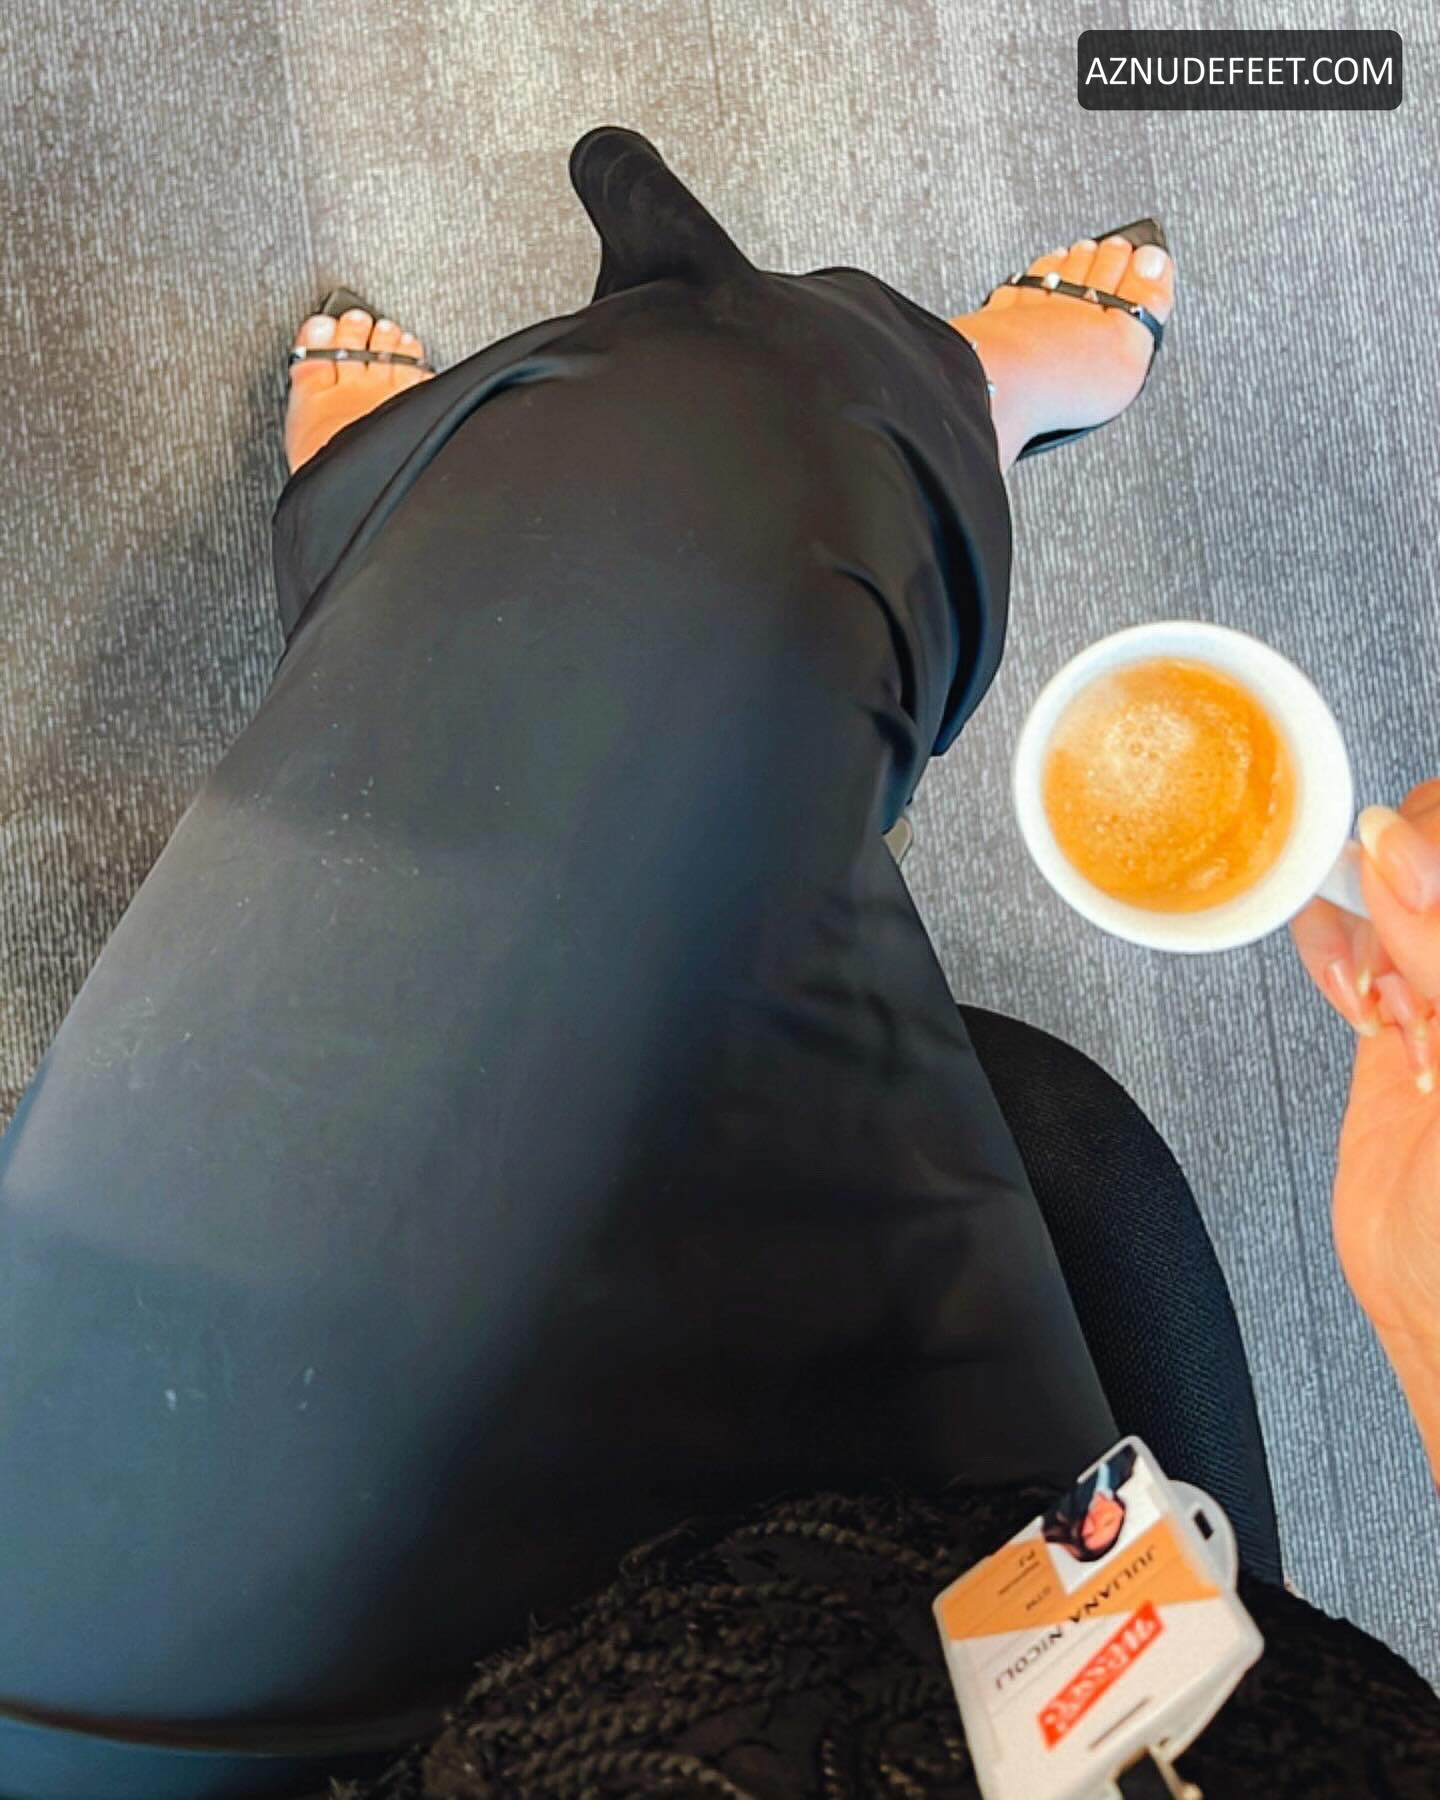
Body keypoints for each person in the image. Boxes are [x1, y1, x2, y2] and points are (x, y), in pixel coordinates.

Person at [0, 128, 1434, 1799]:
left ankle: (429, 506)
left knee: (705, 449)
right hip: (1021, 1645)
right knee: (739, 495)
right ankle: (921, 416)